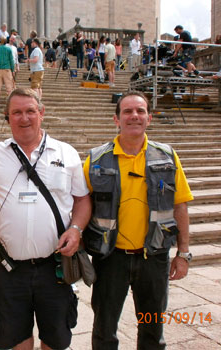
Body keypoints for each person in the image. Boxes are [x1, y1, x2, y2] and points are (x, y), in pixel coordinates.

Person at [0, 88, 92, 350]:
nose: (24, 118)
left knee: (55, 339)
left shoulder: (66, 153)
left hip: (53, 267)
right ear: (7, 117)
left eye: (30, 111)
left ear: (41, 113)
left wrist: (76, 229)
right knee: (16, 339)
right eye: (16, 112)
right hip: (10, 269)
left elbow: (82, 200)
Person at [83, 92, 194, 349]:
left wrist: (183, 253)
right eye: (128, 111)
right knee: (105, 329)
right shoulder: (96, 160)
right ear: (116, 119)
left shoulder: (167, 157)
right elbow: (82, 204)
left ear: (149, 118)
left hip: (153, 258)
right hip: (110, 259)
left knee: (152, 329)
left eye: (141, 111)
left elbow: (180, 205)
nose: (135, 116)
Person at [0, 36, 15, 104]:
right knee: (9, 85)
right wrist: (12, 69)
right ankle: (9, 100)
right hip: (7, 69)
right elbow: (11, 60)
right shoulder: (9, 49)